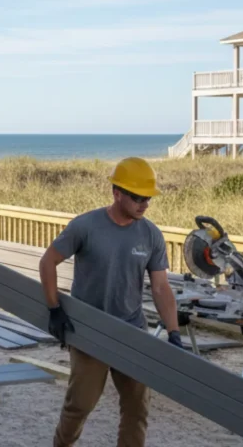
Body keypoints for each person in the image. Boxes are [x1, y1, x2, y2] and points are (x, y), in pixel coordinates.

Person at [39, 157, 183, 447]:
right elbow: (48, 262)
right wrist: (54, 309)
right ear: (117, 193)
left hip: (131, 329)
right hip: (89, 330)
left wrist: (174, 332)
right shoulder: (86, 226)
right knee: (79, 405)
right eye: (137, 196)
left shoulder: (151, 234)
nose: (144, 203)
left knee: (136, 409)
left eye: (148, 198)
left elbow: (160, 287)